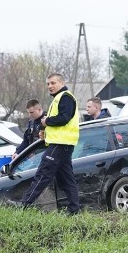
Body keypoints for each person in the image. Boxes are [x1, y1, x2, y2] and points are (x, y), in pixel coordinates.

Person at [18, 73, 81, 214]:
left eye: (53, 83)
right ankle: (74, 210)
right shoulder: (60, 98)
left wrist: (47, 121)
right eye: (48, 84)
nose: (50, 86)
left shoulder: (65, 97)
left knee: (43, 173)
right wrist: (45, 133)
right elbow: (62, 124)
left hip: (59, 144)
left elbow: (64, 118)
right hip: (62, 144)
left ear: (62, 82)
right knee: (67, 179)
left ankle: (24, 205)